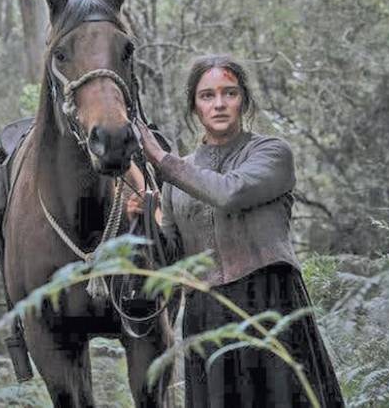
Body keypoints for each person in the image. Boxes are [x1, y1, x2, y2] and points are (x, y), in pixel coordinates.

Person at [128, 55, 344, 407]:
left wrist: (161, 159)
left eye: (229, 93)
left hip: (269, 300)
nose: (219, 104)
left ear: (243, 99)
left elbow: (230, 192)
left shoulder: (272, 153)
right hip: (206, 312)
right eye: (207, 96)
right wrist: (142, 221)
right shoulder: (176, 179)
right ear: (195, 106)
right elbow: (168, 258)